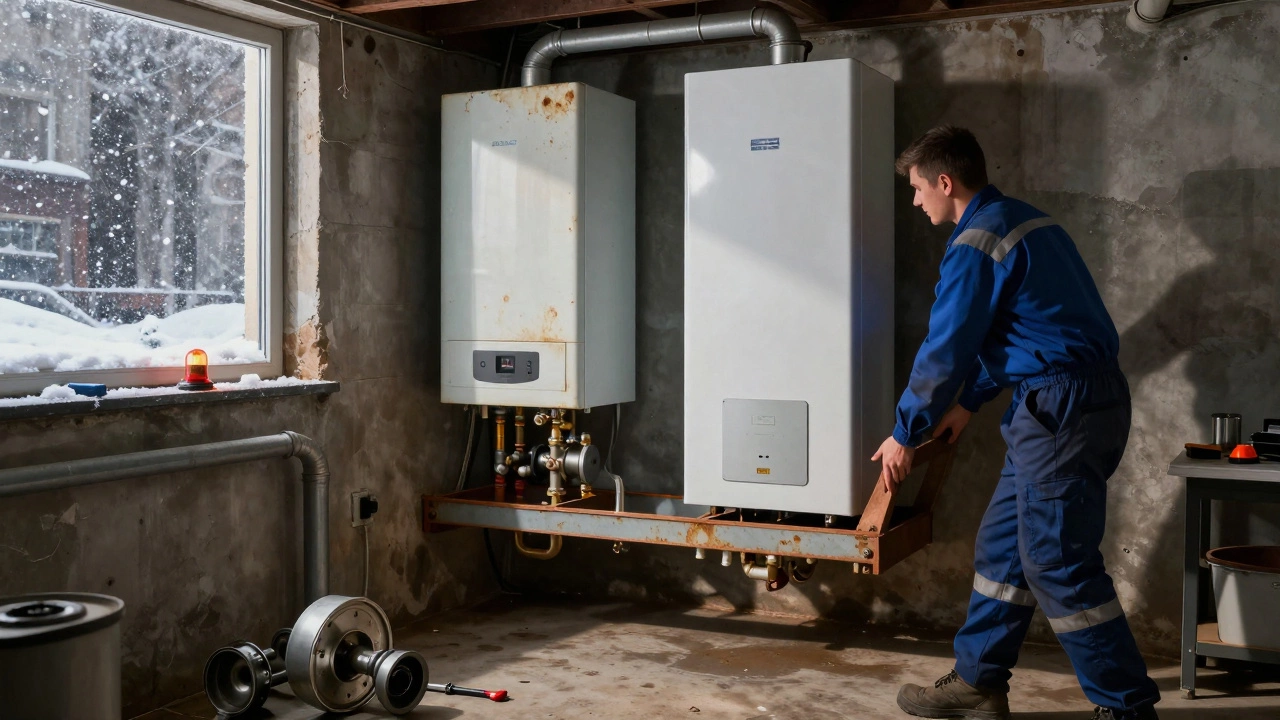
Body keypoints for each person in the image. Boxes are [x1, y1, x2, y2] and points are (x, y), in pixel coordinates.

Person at [872, 126, 1161, 720]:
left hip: (1058, 409)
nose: (916, 200)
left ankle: (1128, 708)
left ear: (945, 182)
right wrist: (970, 402)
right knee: (1004, 547)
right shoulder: (1026, 221)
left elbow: (947, 344)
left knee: (1057, 564)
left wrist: (905, 431)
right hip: (1075, 399)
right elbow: (1025, 327)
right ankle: (978, 683)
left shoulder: (975, 241)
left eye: (918, 188)